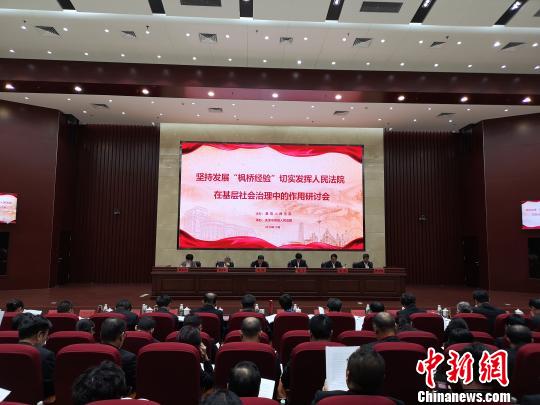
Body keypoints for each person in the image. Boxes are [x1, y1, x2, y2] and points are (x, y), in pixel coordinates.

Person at [312, 347, 404, 405]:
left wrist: (327, 397)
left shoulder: (322, 399)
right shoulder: (396, 403)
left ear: (347, 375)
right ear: (383, 379)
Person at [280, 315, 333, 394]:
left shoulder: (299, 352)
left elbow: (285, 380)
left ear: (310, 333)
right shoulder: (341, 352)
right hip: (332, 398)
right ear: (331, 333)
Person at [18, 315, 55, 399]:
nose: (46, 339)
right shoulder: (46, 355)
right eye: (46, 335)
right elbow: (49, 393)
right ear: (40, 335)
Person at [100, 318, 137, 392]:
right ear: (122, 336)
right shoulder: (129, 358)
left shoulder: (89, 351)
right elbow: (132, 385)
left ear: (101, 334)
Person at [178, 325, 214, 393]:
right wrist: (205, 357)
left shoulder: (168, 357)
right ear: (198, 346)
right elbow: (210, 381)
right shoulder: (192, 363)